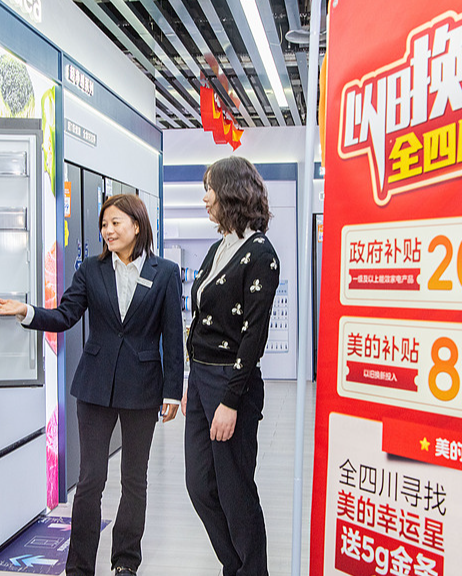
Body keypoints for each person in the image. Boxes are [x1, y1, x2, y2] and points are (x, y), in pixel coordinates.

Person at [0, 193, 183, 576]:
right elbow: (65, 315)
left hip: (143, 388)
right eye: (104, 225)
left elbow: (172, 336)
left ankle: (126, 562)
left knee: (134, 479)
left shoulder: (165, 272)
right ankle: (78, 567)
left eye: (115, 223)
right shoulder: (91, 270)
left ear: (136, 226)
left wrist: (172, 390)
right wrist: (26, 311)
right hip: (94, 389)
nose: (108, 231)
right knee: (91, 479)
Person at [182, 157, 279, 576]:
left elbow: (253, 337)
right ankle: (234, 565)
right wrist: (191, 379)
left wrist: (230, 401)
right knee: (200, 485)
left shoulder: (260, 254)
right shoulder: (217, 248)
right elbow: (201, 320)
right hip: (200, 378)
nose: (205, 198)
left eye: (211, 188)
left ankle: (250, 570)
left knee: (236, 491)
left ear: (232, 192)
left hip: (230, 382)